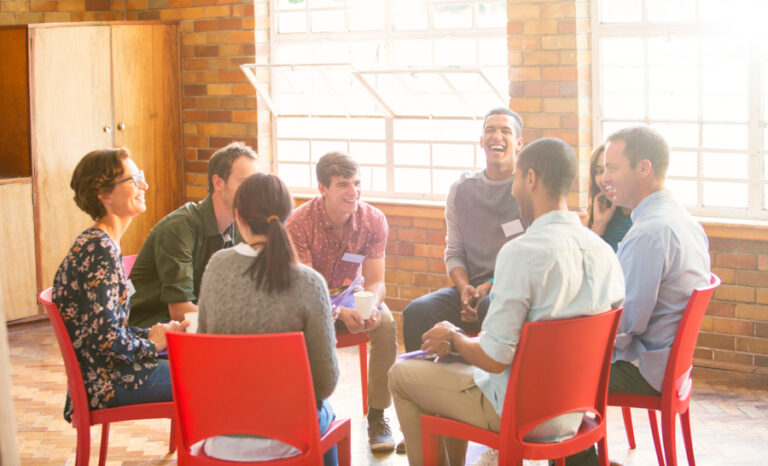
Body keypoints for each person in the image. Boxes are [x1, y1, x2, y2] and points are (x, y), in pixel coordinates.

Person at [389, 138, 625, 466]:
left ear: (530, 178)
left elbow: (495, 359)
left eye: (515, 178)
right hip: (575, 412)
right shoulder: (605, 252)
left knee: (401, 375)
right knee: (453, 367)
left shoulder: (521, 253)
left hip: (519, 413)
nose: (513, 190)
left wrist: (453, 337)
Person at [568, 126, 711, 465]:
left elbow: (623, 326)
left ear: (644, 168)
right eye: (603, 169)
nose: (605, 178)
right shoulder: (684, 221)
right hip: (671, 366)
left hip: (646, 369)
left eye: (613, 168)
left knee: (555, 375)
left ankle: (583, 462)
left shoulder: (649, 233)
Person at [195, 173, 339, 465]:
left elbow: (203, 355)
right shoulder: (309, 283)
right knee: (329, 412)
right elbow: (324, 384)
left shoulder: (217, 268)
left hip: (221, 435)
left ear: (239, 217)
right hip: (288, 439)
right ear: (288, 216)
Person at [52, 148, 188, 422]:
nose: (144, 184)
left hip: (110, 372)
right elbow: (105, 338)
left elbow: (108, 329)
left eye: (142, 176)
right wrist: (151, 345)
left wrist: (153, 332)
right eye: (134, 179)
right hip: (108, 382)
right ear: (104, 194)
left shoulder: (100, 243)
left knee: (200, 365)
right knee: (208, 380)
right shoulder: (98, 249)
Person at [285, 152, 398, 453]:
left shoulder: (374, 220)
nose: (354, 192)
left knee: (386, 325)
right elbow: (304, 289)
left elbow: (376, 281)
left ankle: (377, 417)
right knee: (296, 330)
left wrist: (372, 305)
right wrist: (338, 312)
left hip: (352, 293)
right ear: (322, 188)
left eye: (357, 183)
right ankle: (312, 413)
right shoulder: (299, 222)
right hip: (309, 300)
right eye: (343, 185)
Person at [401, 107, 526, 353]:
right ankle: (422, 384)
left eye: (505, 131)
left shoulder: (527, 189)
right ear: (481, 141)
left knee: (489, 306)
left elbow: (529, 258)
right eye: (490, 130)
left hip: (510, 289)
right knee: (417, 312)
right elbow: (454, 251)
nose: (496, 136)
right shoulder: (461, 190)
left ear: (519, 143)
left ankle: (488, 388)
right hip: (470, 289)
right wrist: (464, 289)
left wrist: (490, 285)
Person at [128, 142, 260, 327]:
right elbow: (179, 310)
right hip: (151, 330)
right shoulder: (179, 229)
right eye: (245, 183)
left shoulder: (238, 227)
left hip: (194, 327)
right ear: (218, 183)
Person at [586, 143, 632, 251]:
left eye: (613, 169)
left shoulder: (639, 217)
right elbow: (586, 260)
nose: (604, 178)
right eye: (599, 171)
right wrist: (599, 224)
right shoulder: (601, 210)